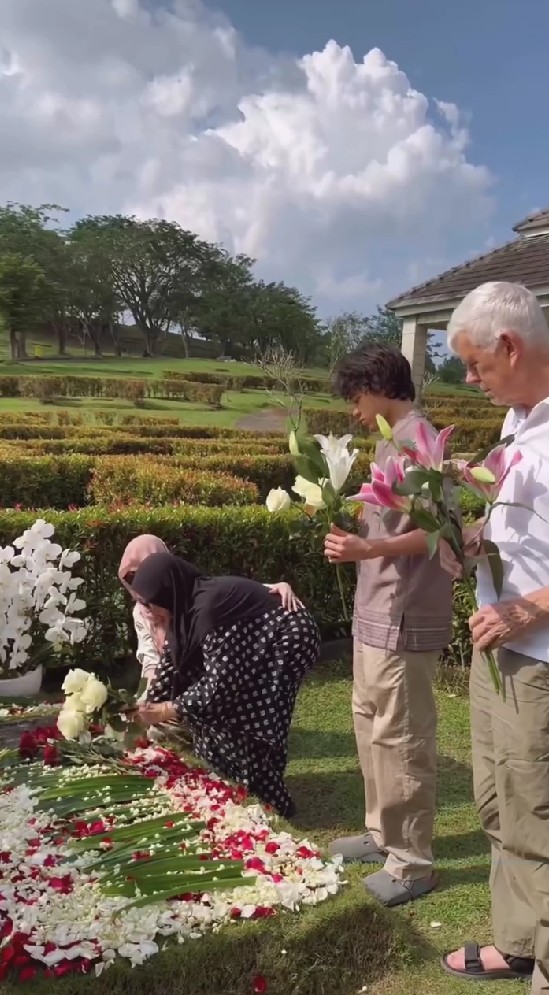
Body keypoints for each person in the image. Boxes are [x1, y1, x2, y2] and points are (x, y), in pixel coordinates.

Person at [439, 282, 549, 991]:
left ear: (508, 346)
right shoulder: (516, 425)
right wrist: (476, 537)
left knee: (535, 814)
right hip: (494, 650)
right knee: (496, 801)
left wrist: (530, 608)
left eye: (475, 364)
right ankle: (517, 940)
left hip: (536, 656)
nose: (469, 379)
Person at [324, 344, 453, 907]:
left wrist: (368, 544)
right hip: (375, 611)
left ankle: (414, 863)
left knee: (401, 740)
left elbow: (440, 533)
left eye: (356, 396)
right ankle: (383, 836)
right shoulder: (387, 441)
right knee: (369, 724)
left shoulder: (419, 440)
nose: (353, 409)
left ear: (378, 385)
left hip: (404, 615)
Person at [128, 551, 320, 816]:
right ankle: (237, 785)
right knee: (211, 711)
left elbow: (221, 686)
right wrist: (140, 708)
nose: (146, 611)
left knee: (247, 716)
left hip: (287, 639)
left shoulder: (208, 611)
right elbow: (171, 667)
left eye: (148, 604)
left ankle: (272, 802)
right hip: (255, 638)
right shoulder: (182, 605)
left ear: (166, 595)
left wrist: (167, 709)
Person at [118, 535, 304, 700]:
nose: (141, 581)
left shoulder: (186, 597)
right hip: (166, 677)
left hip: (202, 675)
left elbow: (236, 595)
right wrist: (151, 698)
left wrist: (276, 588)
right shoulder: (141, 612)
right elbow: (151, 658)